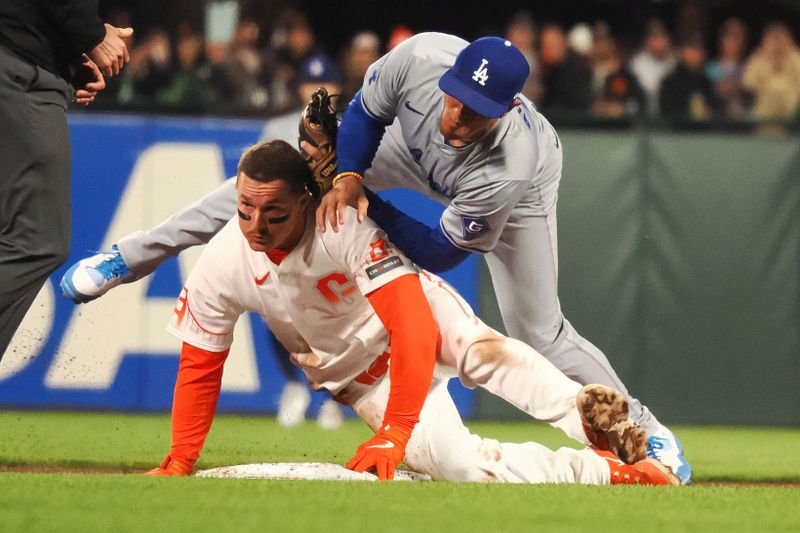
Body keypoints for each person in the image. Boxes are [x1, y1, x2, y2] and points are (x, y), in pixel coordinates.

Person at [61, 33, 691, 484]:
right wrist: (347, 173)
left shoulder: (510, 165)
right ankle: (128, 257)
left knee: (537, 329)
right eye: (453, 98)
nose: (457, 116)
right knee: (273, 180)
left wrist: (367, 205)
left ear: (508, 109)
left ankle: (644, 429)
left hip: (497, 194)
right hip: (401, 151)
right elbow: (362, 114)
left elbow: (442, 253)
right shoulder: (419, 60)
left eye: (476, 111)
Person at [145, 139, 676, 485]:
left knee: (484, 353)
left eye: (274, 212)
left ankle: (593, 418)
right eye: (244, 209)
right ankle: (604, 471)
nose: (256, 225)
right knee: (459, 467)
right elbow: (200, 363)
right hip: (365, 382)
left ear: (307, 201)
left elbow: (414, 326)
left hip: (421, 322)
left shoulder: (340, 224)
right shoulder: (221, 262)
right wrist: (180, 459)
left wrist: (395, 434)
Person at [0, 1, 132, 361]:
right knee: (37, 241)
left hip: (18, 59)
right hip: (17, 74)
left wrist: (69, 56)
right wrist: (90, 34)